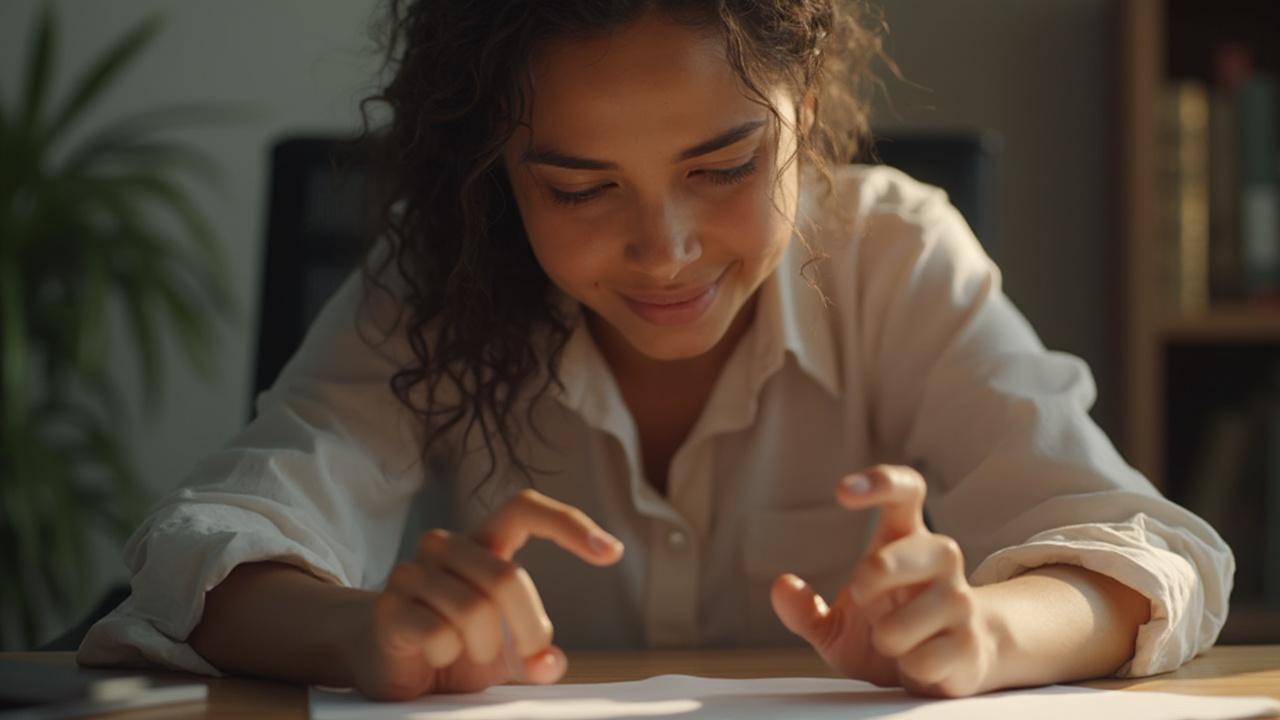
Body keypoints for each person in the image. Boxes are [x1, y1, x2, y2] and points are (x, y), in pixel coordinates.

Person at [78, 0, 1232, 702]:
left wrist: (989, 630)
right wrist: (359, 630)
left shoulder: (889, 249)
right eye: (579, 189)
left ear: (805, 101)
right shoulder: (434, 276)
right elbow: (199, 550)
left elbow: (1154, 554)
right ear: (493, 174)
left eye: (723, 169)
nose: (664, 251)